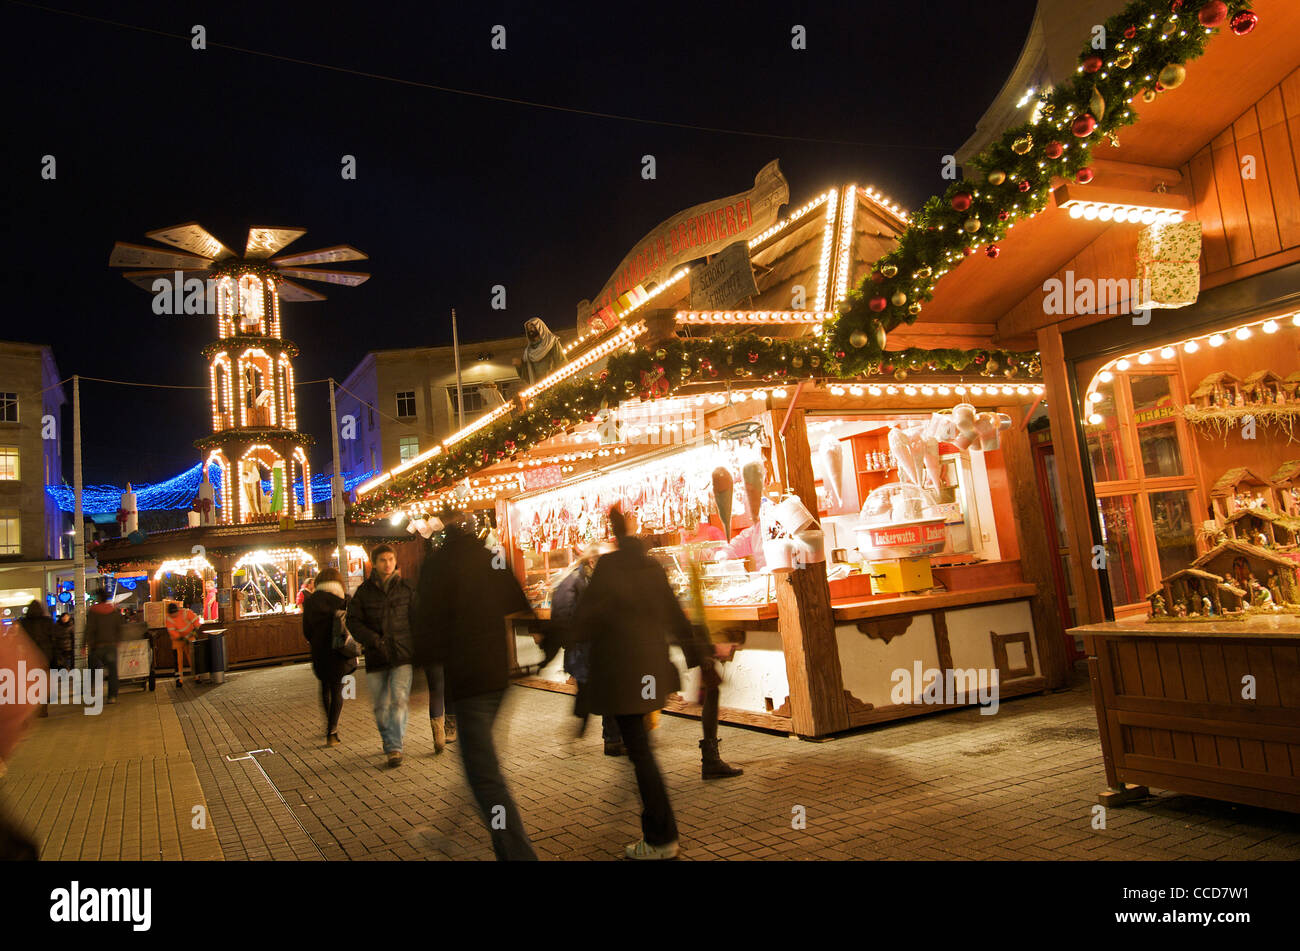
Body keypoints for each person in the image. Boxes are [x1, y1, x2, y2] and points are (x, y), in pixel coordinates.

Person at [575, 506, 717, 860]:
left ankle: (661, 837)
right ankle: (659, 832)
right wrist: (699, 659)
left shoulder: (607, 568)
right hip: (651, 672)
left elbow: (585, 620)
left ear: (613, 535)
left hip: (622, 675)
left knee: (641, 755)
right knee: (643, 751)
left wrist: (561, 645)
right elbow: (675, 615)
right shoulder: (652, 566)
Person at [414, 511, 537, 861]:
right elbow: (520, 605)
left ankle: (518, 855)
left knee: (483, 774)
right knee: (480, 764)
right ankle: (450, 830)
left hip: (467, 682)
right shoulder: (491, 559)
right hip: (497, 677)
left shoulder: (437, 565)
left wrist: (424, 676)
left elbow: (424, 624)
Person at [347, 544, 417, 767]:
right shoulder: (364, 592)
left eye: (390, 559)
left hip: (402, 653)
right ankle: (389, 739)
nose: (387, 564)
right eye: (383, 560)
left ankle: (395, 746)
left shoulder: (406, 588)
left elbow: (417, 618)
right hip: (376, 654)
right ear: (374, 564)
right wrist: (372, 639)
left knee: (399, 700)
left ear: (395, 561)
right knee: (380, 705)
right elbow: (353, 621)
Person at [551, 544, 624, 755]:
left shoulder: (594, 580)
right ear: (592, 561)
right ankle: (602, 735)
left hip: (597, 648)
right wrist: (572, 640)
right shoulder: (575, 580)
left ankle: (610, 738)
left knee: (604, 692)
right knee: (597, 693)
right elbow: (562, 614)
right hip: (583, 650)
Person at [301, 568, 353, 747]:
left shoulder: (311, 601)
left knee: (324, 687)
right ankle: (332, 730)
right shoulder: (344, 600)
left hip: (319, 650)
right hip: (339, 650)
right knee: (337, 689)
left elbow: (306, 630)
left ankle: (328, 724)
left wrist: (315, 640)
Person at [85, 592, 124, 703]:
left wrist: (85, 644)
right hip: (111, 646)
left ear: (98, 598)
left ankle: (91, 694)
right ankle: (112, 696)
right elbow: (119, 628)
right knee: (112, 672)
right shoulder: (113, 612)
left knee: (93, 671)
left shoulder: (93, 611)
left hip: (97, 647)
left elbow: (89, 629)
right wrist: (117, 641)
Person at [18, 602, 55, 717]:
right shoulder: (47, 622)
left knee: (30, 682)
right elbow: (54, 638)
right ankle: (43, 709)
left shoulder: (23, 623)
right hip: (45, 656)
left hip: (28, 656)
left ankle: (32, 707)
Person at [513, 317, 566, 385]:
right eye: (528, 329)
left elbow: (561, 362)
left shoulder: (551, 342)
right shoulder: (528, 351)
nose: (530, 330)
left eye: (532, 327)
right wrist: (520, 365)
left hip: (554, 382)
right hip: (538, 386)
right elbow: (527, 375)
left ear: (540, 327)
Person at [165, 601, 203, 686]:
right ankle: (179, 679)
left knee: (192, 657)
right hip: (178, 640)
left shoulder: (186, 612)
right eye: (172, 614)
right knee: (178, 660)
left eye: (175, 613)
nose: (174, 615)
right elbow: (172, 632)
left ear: (178, 610)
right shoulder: (169, 619)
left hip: (190, 637)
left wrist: (194, 630)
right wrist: (182, 638)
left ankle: (197, 676)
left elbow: (196, 621)